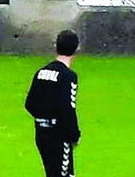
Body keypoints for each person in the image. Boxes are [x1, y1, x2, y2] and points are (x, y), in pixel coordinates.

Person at [24, 30, 81, 177]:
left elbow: (30, 104)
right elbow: (68, 108)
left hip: (41, 134)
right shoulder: (68, 76)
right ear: (76, 49)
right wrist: (74, 134)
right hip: (59, 136)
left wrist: (44, 118)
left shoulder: (41, 72)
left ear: (56, 47)